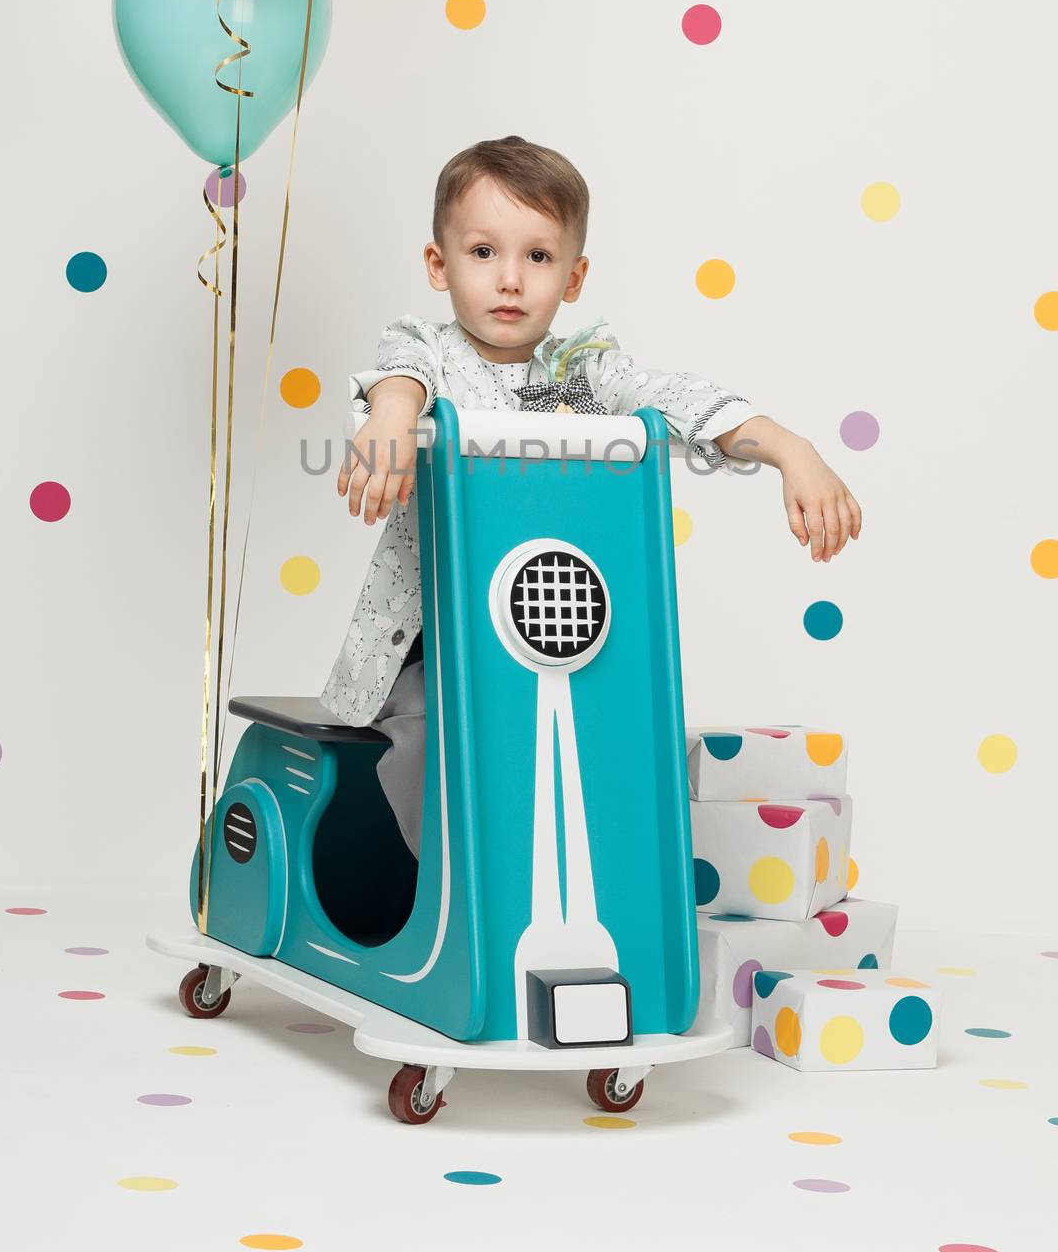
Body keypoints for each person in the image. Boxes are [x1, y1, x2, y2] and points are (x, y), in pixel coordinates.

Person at [319, 136, 862, 858]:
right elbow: (402, 368)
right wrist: (392, 414)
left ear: (572, 278)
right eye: (483, 252)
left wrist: (790, 450)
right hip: (433, 644)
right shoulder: (429, 354)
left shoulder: (578, 375)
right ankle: (453, 904)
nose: (509, 279)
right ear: (438, 263)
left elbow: (676, 401)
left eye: (537, 257)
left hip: (545, 628)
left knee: (583, 754)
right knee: (433, 756)